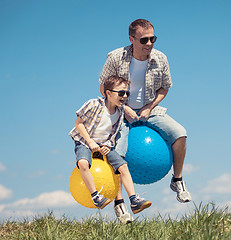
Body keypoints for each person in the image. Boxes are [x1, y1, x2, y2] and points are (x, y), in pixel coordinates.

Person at [98, 19, 192, 203]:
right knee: (116, 152)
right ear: (132, 39)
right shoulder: (115, 57)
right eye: (144, 40)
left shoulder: (161, 58)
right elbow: (103, 88)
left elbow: (165, 88)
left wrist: (149, 107)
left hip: (149, 110)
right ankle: (119, 203)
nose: (149, 44)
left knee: (180, 134)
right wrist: (123, 108)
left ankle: (178, 180)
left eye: (152, 39)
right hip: (120, 111)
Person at [69, 75, 151, 224]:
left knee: (123, 166)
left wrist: (108, 144)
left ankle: (134, 200)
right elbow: (78, 124)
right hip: (85, 142)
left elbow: (114, 132)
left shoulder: (120, 111)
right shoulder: (93, 104)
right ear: (108, 93)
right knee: (83, 163)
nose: (124, 96)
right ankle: (96, 196)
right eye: (121, 93)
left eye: (127, 93)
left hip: (104, 144)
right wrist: (90, 142)